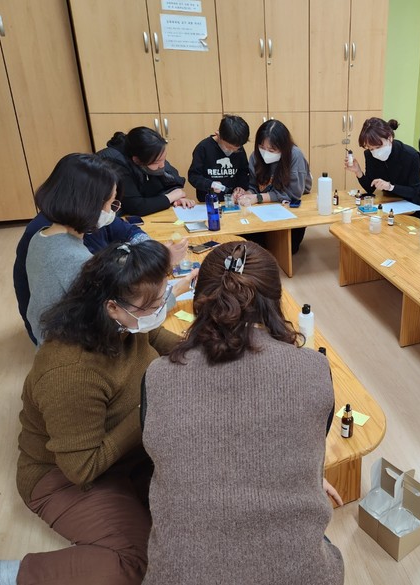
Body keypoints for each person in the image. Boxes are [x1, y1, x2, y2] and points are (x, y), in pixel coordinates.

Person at [141, 242, 344, 585]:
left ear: (199, 300)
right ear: (275, 301)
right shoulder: (313, 367)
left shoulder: (158, 376)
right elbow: (308, 443)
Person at [13, 240, 181, 585]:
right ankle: (12, 576)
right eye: (152, 305)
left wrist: (209, 350)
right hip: (64, 476)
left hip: (128, 456)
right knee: (140, 561)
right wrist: (149, 405)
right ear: (112, 307)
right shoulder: (70, 372)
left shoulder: (124, 325)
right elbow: (82, 468)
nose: (159, 310)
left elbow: (155, 337)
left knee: (198, 510)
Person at [23, 154, 119, 345]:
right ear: (90, 206)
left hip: (49, 340)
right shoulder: (76, 260)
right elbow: (117, 317)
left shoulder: (41, 236)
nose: (111, 211)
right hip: (73, 350)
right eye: (110, 203)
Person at [243, 120, 312, 252]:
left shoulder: (295, 155)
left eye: (271, 150)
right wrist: (248, 194)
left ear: (283, 147)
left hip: (290, 210)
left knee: (288, 248)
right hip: (263, 210)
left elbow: (294, 194)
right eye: (262, 147)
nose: (265, 153)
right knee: (252, 244)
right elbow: (253, 185)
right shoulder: (255, 156)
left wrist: (258, 197)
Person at [345, 117, 420, 218]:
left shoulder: (410, 155)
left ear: (390, 138)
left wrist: (390, 187)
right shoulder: (370, 155)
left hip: (415, 205)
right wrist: (358, 172)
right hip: (390, 202)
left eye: (378, 147)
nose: (375, 152)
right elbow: (370, 188)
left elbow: (414, 191)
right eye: (371, 148)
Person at [98, 126, 195, 216]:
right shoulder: (112, 163)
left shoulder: (153, 153)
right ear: (137, 160)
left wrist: (176, 198)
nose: (162, 165)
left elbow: (171, 182)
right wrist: (170, 197)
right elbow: (136, 206)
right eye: (157, 162)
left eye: (164, 159)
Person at [188, 114, 251, 202]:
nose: (232, 151)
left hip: (232, 200)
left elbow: (243, 172)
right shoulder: (204, 148)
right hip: (208, 201)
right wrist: (210, 184)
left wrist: (240, 187)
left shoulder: (239, 148)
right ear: (218, 134)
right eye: (228, 147)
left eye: (236, 149)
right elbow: (193, 176)